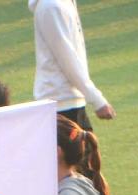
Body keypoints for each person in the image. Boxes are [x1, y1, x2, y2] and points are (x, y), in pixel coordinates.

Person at [29, 0, 112, 131]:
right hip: (62, 104)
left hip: (68, 100)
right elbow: (67, 59)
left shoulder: (62, 3)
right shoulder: (51, 6)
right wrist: (97, 100)